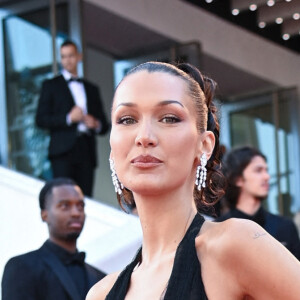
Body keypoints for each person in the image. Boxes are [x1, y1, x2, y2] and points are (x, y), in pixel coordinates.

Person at [86, 61, 300, 299]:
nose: (144, 137)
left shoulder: (233, 245)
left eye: (168, 118)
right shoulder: (100, 293)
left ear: (204, 145)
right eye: (127, 119)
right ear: (112, 147)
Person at [2, 178, 105, 300]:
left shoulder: (101, 278)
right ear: (44, 215)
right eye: (65, 206)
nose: (76, 213)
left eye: (80, 206)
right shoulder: (21, 267)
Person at [36, 40, 109, 197]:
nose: (67, 60)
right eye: (63, 57)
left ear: (79, 57)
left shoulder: (91, 89)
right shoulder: (50, 85)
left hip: (86, 150)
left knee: (86, 197)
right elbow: (40, 119)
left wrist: (95, 123)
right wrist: (68, 118)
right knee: (64, 196)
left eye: (71, 56)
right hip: (62, 151)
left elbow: (104, 125)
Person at [217, 146, 300, 260]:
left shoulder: (285, 227)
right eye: (258, 170)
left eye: (266, 170)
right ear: (238, 179)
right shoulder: (217, 229)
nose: (267, 176)